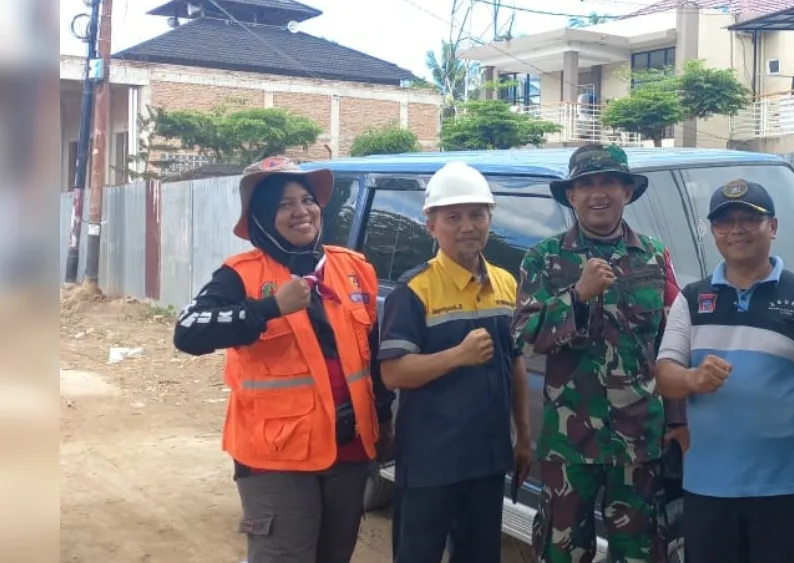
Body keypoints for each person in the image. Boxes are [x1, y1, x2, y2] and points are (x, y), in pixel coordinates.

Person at [173, 156, 393, 563]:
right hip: (276, 458)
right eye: (284, 204)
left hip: (348, 450)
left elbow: (373, 354)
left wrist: (383, 421)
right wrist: (270, 307)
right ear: (261, 217)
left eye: (307, 200)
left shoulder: (353, 268)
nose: (301, 211)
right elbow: (187, 331)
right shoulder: (240, 275)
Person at [655, 178, 794, 563]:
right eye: (724, 222)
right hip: (709, 488)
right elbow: (664, 374)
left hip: (791, 489)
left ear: (772, 227)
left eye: (749, 219)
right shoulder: (691, 299)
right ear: (712, 231)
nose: (737, 230)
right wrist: (693, 379)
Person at [512, 143, 687, 563]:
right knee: (563, 552)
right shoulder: (544, 259)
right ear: (571, 196)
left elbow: (672, 342)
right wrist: (577, 296)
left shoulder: (653, 255)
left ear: (627, 191)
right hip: (569, 442)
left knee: (641, 552)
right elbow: (523, 336)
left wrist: (678, 418)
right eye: (586, 185)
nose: (598, 194)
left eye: (609, 182)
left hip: (639, 440)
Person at [376, 161, 532, 563]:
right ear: (431, 225)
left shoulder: (505, 283)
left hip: (487, 459)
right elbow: (392, 372)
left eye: (477, 215)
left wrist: (523, 436)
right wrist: (457, 356)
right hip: (430, 462)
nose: (467, 226)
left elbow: (514, 361)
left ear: (490, 219)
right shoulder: (414, 291)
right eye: (453, 217)